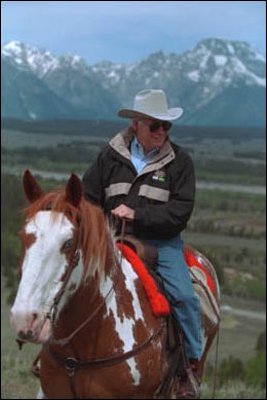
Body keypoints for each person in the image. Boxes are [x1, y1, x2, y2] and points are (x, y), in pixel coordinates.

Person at [82, 89, 202, 398]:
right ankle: (57, 354)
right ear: (136, 124)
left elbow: (180, 212)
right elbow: (88, 199)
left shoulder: (180, 162)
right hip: (112, 240)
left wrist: (137, 215)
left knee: (184, 298)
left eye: (166, 126)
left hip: (162, 244)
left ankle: (189, 366)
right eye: (154, 125)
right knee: (72, 284)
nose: (162, 132)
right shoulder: (109, 156)